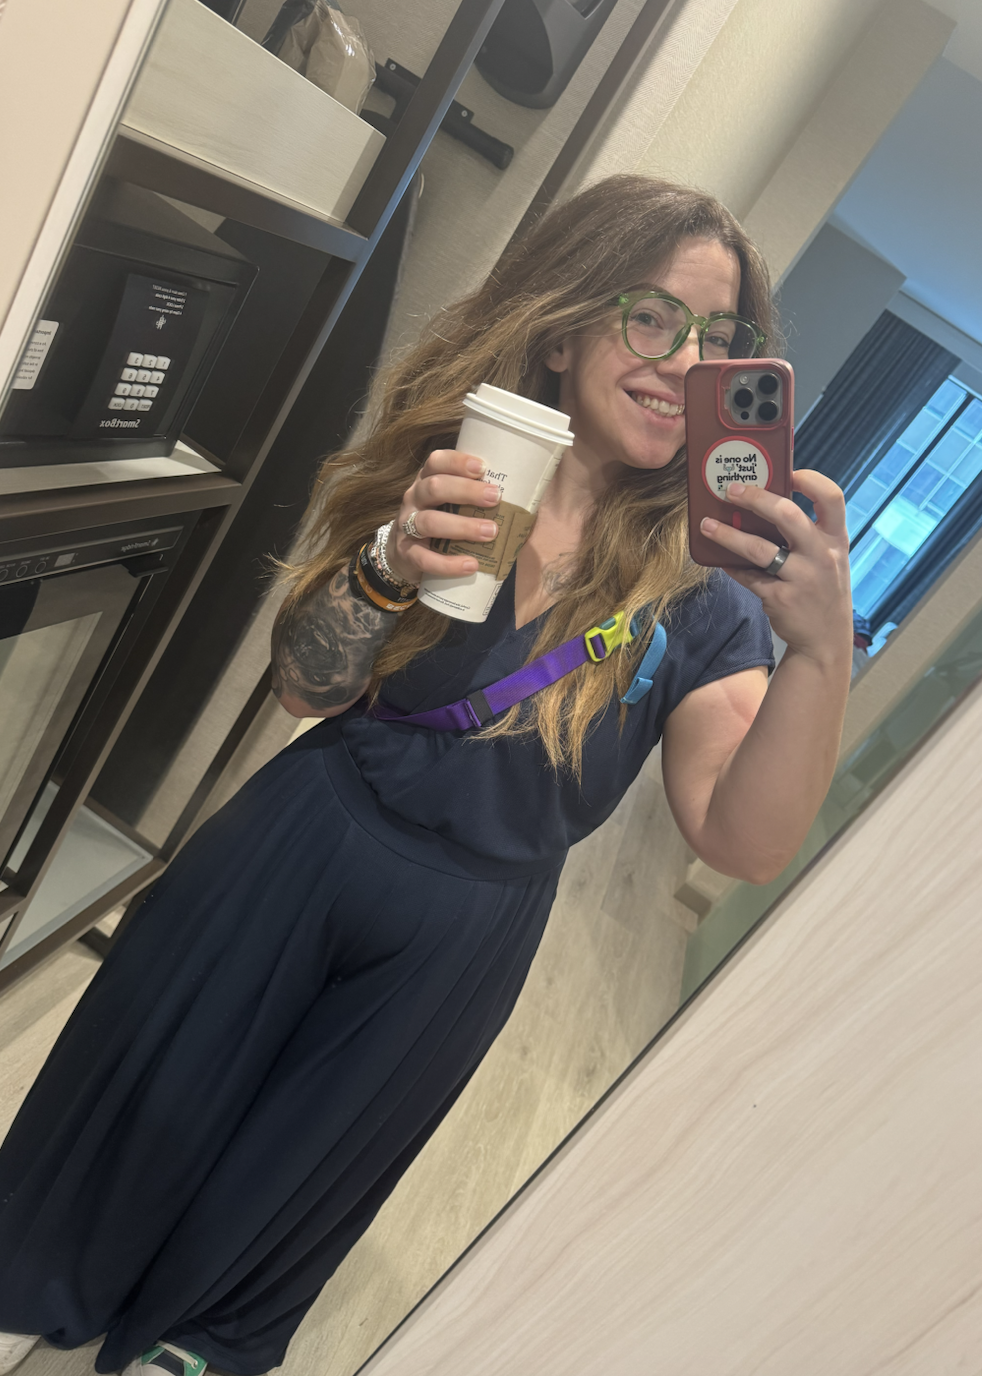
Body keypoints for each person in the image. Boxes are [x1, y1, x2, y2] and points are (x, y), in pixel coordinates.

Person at [0, 176, 852, 1376]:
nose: (684, 361)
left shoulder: (705, 599)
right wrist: (392, 561)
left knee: (264, 1218)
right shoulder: (458, 464)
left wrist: (819, 647)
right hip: (294, 847)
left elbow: (744, 836)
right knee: (117, 1134)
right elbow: (305, 684)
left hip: (461, 939)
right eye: (652, 317)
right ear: (564, 331)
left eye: (722, 341)